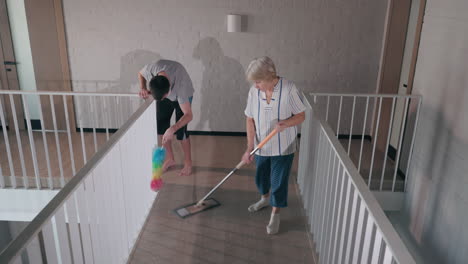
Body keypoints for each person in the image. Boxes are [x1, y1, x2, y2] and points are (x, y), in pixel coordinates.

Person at [241, 56, 306, 235]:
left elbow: (301, 116)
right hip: (261, 145)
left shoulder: (289, 89)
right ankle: (264, 198)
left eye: (258, 81)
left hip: (284, 146)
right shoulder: (254, 92)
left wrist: (285, 123)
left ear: (270, 76)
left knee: (278, 182)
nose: (256, 85)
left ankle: (275, 213)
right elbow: (249, 119)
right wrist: (249, 147)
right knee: (261, 177)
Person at [139, 59, 194, 176]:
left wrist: (173, 128)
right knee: (161, 126)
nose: (162, 100)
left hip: (183, 97)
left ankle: (188, 162)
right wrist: (143, 87)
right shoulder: (153, 68)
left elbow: (189, 115)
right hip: (163, 91)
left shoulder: (181, 88)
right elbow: (140, 73)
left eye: (164, 97)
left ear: (169, 90)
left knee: (181, 132)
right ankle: (170, 159)